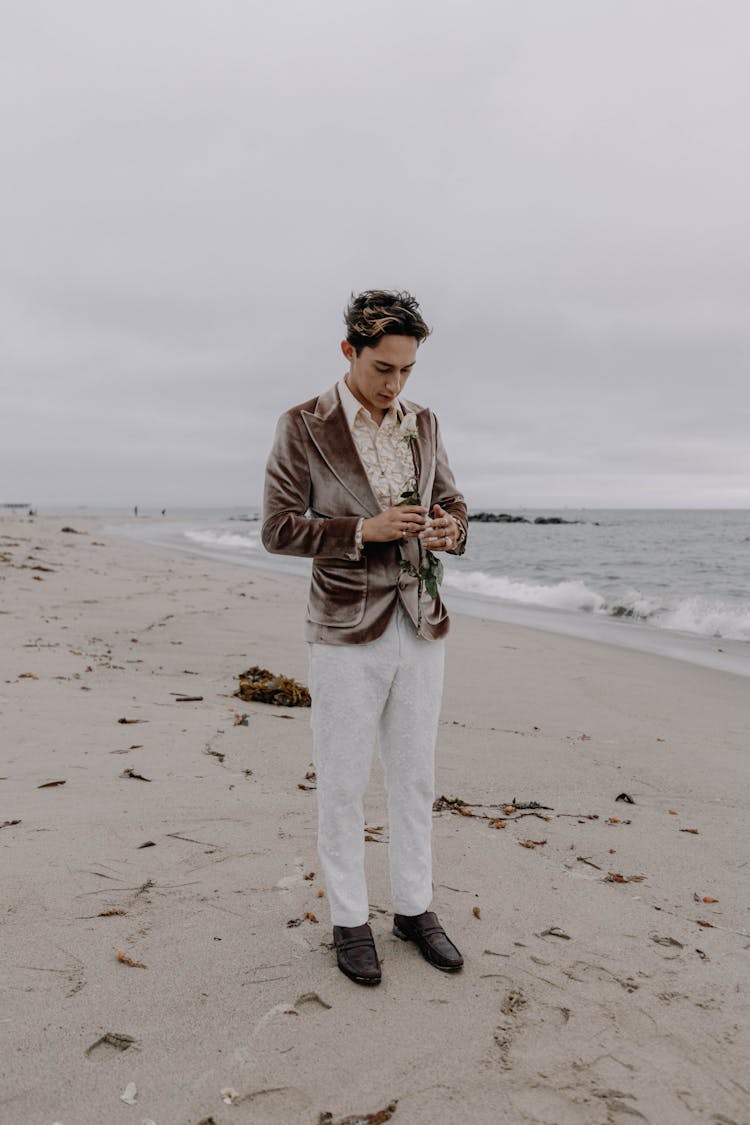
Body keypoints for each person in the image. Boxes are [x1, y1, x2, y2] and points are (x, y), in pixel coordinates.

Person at [262, 289, 468, 986]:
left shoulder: (425, 421)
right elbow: (278, 527)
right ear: (349, 351)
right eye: (383, 367)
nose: (395, 384)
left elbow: (455, 503)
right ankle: (350, 919)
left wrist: (451, 529)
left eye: (407, 369)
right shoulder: (303, 424)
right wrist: (360, 531)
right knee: (344, 783)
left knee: (415, 778)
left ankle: (414, 908)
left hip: (422, 620)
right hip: (346, 627)